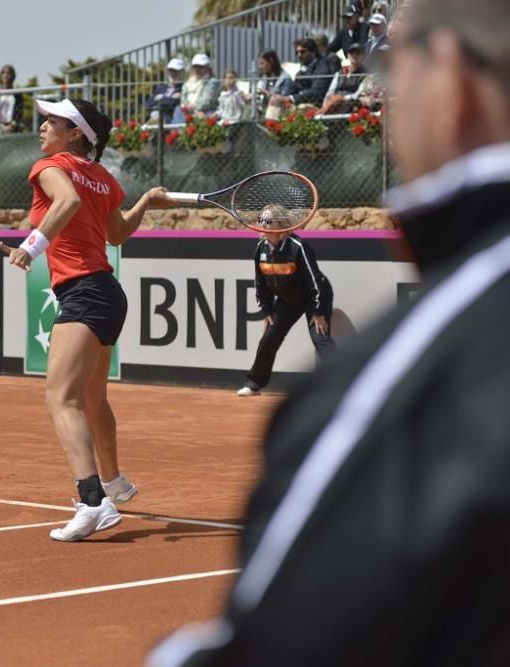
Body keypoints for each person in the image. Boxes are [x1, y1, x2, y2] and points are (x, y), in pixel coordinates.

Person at [148, 0, 510, 663]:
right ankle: (255, 376)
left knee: (320, 345)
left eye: (395, 70)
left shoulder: (403, 377)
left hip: (307, 299)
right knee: (269, 340)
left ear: (451, 79)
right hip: (282, 300)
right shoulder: (266, 253)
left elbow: (276, 644)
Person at [0, 98, 174, 542]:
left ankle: (92, 501)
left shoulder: (49, 167)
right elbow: (117, 234)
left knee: (62, 399)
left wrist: (31, 247)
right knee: (93, 399)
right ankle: (114, 483)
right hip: (106, 294)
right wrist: (146, 205)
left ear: (75, 133)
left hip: (84, 292)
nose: (42, 127)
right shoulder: (104, 178)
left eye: (52, 121)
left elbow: (68, 200)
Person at [237, 206, 335, 397]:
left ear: (280, 225)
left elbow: (315, 280)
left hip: (313, 297)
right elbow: (260, 283)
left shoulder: (298, 247)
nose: (262, 225)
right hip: (287, 300)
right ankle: (255, 382)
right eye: (261, 220)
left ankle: (344, 384)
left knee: (320, 337)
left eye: (268, 221)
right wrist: (266, 310)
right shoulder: (261, 248)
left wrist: (318, 311)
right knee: (269, 338)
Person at [269, 38, 332, 109]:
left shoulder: (323, 68)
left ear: (313, 52)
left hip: (316, 105)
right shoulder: (303, 69)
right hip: (300, 101)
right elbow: (294, 87)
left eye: (302, 52)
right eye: (297, 52)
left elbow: (316, 93)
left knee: (301, 107)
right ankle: (270, 121)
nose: (299, 55)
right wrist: (282, 96)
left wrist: (290, 98)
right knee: (275, 100)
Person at [316, 42, 368, 115]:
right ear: (347, 55)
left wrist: (342, 98)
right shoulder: (340, 73)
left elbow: (358, 93)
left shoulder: (365, 74)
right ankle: (322, 112)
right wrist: (327, 102)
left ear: (363, 56)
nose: (354, 55)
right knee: (331, 99)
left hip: (350, 103)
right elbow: (330, 91)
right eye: (352, 52)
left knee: (336, 100)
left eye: (358, 53)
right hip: (333, 103)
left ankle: (320, 114)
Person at [253, 49, 293, 119]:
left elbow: (284, 98)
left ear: (271, 61)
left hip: (278, 110)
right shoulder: (265, 77)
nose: (260, 66)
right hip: (263, 108)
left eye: (262, 63)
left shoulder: (285, 78)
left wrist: (267, 93)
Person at [0, 64, 23, 133]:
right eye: (3, 73)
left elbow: (19, 111)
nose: (6, 75)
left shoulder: (17, 94)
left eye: (8, 73)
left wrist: (12, 125)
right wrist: (0, 126)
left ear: (13, 76)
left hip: (12, 127)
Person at [146, 58, 185, 122]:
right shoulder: (161, 87)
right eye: (170, 71)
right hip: (156, 119)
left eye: (176, 71)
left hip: (173, 120)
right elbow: (148, 104)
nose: (173, 73)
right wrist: (171, 98)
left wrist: (160, 98)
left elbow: (175, 103)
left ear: (182, 72)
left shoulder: (184, 87)